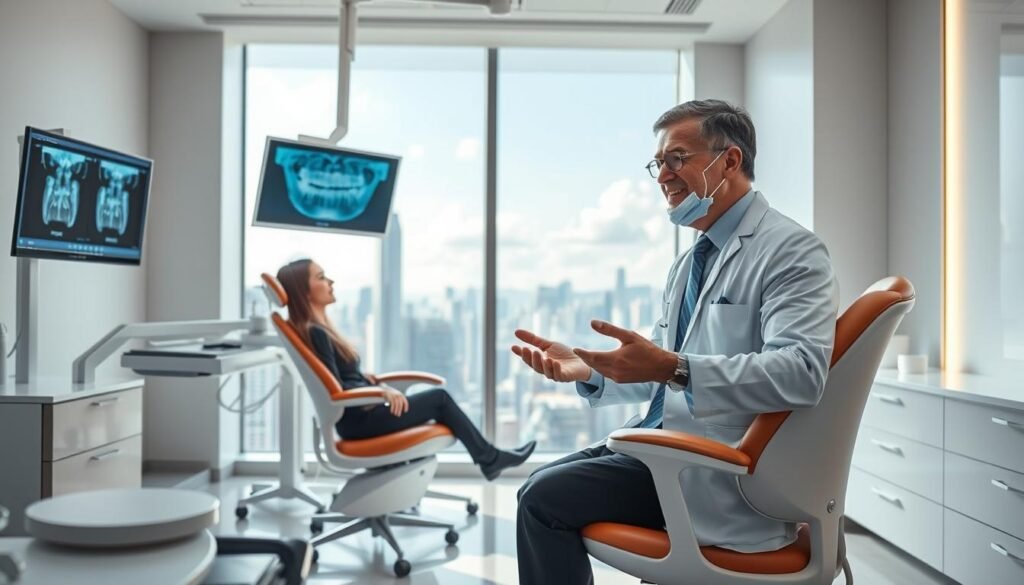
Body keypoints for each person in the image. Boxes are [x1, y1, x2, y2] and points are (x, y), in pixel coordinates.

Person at [511, 99, 839, 584]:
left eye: (677, 158)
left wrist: (674, 367)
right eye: (658, 163)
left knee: (543, 501)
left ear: (729, 161)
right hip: (663, 448)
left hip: (711, 468)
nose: (663, 176)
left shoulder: (791, 250)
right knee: (534, 488)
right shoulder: (689, 263)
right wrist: (590, 371)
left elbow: (802, 372)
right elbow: (659, 369)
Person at [276, 258, 535, 481]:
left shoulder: (320, 330)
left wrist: (371, 382)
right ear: (304, 291)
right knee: (440, 399)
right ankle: (490, 459)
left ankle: (489, 459)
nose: (330, 281)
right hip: (359, 421)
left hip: (361, 415)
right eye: (321, 277)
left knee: (439, 402)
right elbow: (337, 388)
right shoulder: (317, 333)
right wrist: (381, 392)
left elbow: (343, 376)